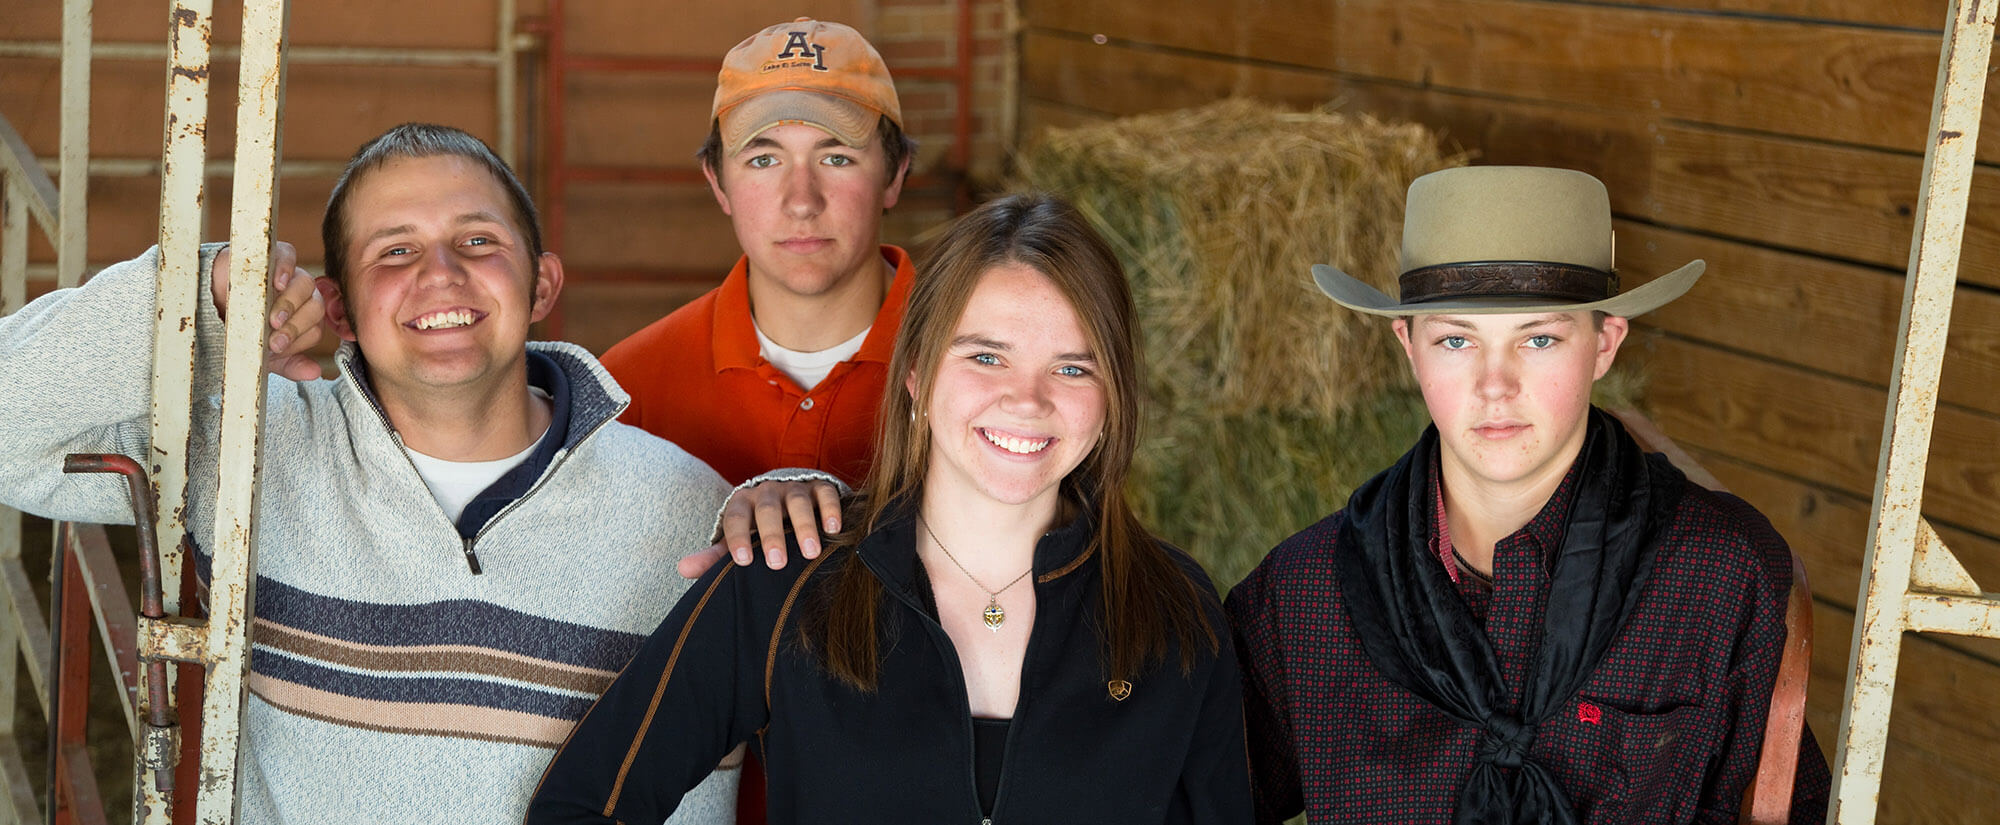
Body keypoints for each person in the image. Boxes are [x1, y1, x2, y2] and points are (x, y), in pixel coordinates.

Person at [0, 124, 734, 824]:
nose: (440, 273)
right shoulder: (249, 448)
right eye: (394, 251)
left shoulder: (690, 507)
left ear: (541, 285)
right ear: (340, 310)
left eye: (477, 240)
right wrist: (199, 305)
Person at [525, 194, 1252, 824]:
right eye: (986, 357)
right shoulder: (787, 581)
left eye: (1072, 367)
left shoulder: (1178, 613)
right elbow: (584, 805)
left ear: (1114, 393)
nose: (1027, 401)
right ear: (916, 374)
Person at [1226, 165, 1832, 823]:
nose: (1495, 383)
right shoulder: (1305, 593)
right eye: (1456, 340)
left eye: (1539, 338)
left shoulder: (1718, 576)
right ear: (1409, 348)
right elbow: (1200, 794)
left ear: (1603, 344)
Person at [600, 17, 917, 574]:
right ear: (718, 182)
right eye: (763, 159)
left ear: (894, 175)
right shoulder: (628, 390)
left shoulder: (976, 365)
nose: (801, 201)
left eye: (836, 157)